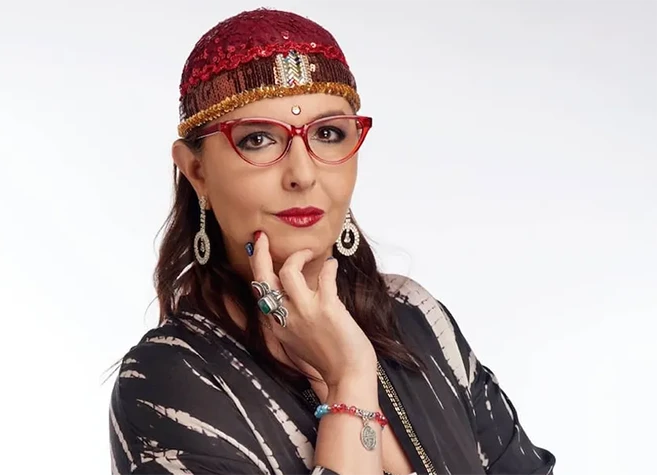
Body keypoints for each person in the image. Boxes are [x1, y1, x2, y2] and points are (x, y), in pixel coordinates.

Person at [109, 8, 555, 475]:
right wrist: (349, 381)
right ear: (196, 170)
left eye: (327, 134)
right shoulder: (169, 379)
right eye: (258, 139)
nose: (303, 174)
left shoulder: (414, 318)